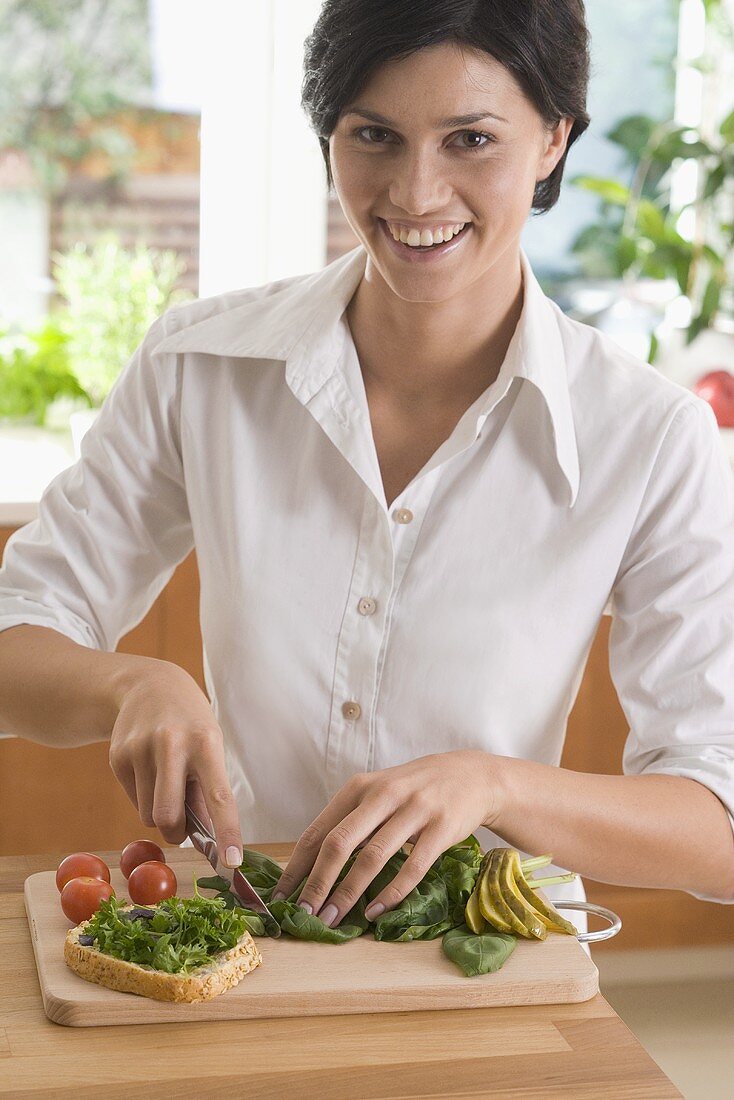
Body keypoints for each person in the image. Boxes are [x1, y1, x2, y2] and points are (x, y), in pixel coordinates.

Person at [1, 0, 733, 936]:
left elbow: (720, 821)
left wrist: (494, 786)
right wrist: (132, 686)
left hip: (495, 961)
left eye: (470, 139)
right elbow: (14, 639)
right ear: (329, 136)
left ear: (554, 137)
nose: (416, 193)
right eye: (374, 136)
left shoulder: (649, 434)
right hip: (259, 946)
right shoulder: (199, 366)